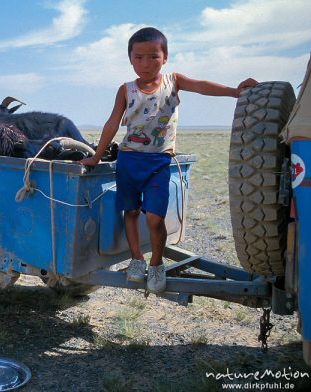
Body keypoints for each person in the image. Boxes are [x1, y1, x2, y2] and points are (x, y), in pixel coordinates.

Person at [80, 27, 257, 293]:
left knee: (154, 217)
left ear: (165, 57)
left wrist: (234, 91)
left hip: (158, 162)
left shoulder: (173, 81)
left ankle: (157, 263)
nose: (145, 63)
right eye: (138, 57)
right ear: (130, 59)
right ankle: (137, 260)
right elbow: (112, 123)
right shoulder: (125, 90)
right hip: (129, 160)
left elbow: (201, 86)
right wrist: (95, 156)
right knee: (130, 212)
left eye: (153, 56)